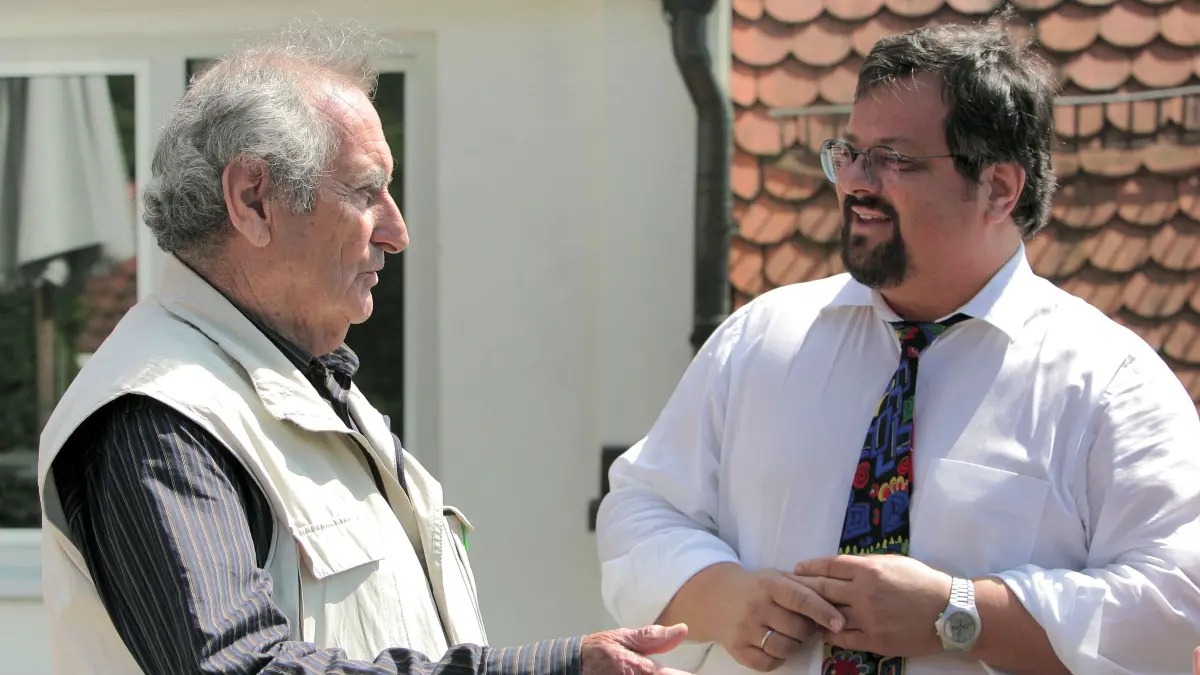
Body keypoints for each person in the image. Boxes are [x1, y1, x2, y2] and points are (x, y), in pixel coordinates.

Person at [35, 22, 691, 675]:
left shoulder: (300, 387)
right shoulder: (160, 414)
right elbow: (243, 667)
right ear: (253, 199)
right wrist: (546, 670)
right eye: (364, 190)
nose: (396, 231)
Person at [594, 11, 1200, 675]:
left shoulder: (1110, 383)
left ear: (998, 187)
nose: (855, 181)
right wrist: (718, 593)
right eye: (850, 153)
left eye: (894, 159)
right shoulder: (761, 338)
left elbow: (1177, 601)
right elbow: (640, 507)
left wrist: (962, 613)